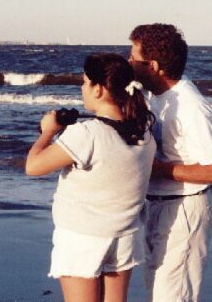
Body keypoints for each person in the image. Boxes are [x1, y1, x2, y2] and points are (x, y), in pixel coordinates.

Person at [25, 53, 156, 302]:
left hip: (83, 237)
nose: (82, 88)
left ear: (98, 89)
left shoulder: (86, 134)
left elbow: (33, 166)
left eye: (85, 83)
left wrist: (48, 132)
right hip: (124, 235)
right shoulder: (144, 132)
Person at [128, 23, 212, 302]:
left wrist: (156, 168)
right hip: (158, 205)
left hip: (184, 208)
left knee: (172, 296)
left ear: (154, 65)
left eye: (134, 57)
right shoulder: (155, 97)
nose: (129, 62)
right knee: (160, 291)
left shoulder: (190, 105)